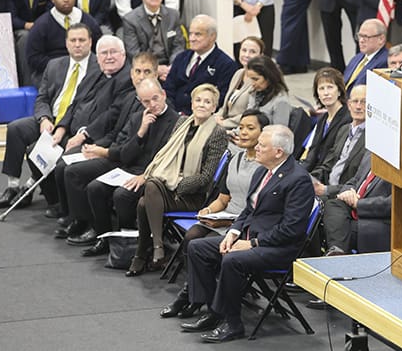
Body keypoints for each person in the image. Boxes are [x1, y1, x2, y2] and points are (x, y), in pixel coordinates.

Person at [181, 125, 314, 343]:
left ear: (279, 152)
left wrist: (253, 243)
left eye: (262, 145)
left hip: (279, 247)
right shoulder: (262, 170)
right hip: (250, 238)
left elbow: (292, 229)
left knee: (232, 260)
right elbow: (249, 210)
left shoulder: (298, 180)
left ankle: (233, 324)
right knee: (198, 248)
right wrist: (233, 233)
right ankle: (214, 312)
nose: (256, 148)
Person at [160, 109, 269, 319]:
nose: (243, 132)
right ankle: (195, 296)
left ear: (263, 133)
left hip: (243, 223)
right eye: (242, 127)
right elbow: (223, 198)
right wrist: (209, 211)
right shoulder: (235, 158)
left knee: (201, 245)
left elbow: (259, 208)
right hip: (225, 215)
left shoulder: (264, 166)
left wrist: (230, 221)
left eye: (250, 128)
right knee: (192, 234)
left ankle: (191, 298)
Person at [126, 83, 229, 276]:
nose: (202, 105)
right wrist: (169, 182)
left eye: (208, 102)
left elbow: (206, 178)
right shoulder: (182, 123)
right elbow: (166, 158)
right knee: (144, 199)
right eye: (198, 100)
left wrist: (177, 185)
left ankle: (147, 252)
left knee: (148, 194)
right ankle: (154, 249)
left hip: (193, 195)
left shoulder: (218, 133)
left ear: (214, 107)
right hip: (168, 187)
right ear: (191, 103)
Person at [64, 77, 179, 250]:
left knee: (121, 195)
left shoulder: (176, 121)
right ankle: (104, 237)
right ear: (140, 101)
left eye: (155, 98)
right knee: (95, 188)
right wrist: (140, 133)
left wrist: (146, 176)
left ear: (163, 95)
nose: (152, 104)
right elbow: (125, 155)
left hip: (153, 174)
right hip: (130, 168)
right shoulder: (137, 118)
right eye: (146, 101)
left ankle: (127, 239)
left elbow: (170, 160)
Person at [0, 23, 99, 210]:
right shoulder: (54, 65)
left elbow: (90, 107)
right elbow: (42, 98)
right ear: (66, 43)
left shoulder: (99, 68)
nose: (77, 44)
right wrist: (44, 118)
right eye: (73, 40)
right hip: (50, 118)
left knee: (37, 149)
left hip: (75, 125)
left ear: (90, 42)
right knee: (16, 128)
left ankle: (30, 187)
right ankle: (13, 186)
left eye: (82, 40)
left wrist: (62, 127)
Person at [52, 50, 155, 226]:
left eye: (147, 72)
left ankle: (85, 223)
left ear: (156, 73)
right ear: (131, 74)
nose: (141, 77)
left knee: (74, 172)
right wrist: (94, 146)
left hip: (127, 160)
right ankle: (74, 216)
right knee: (65, 161)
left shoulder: (154, 104)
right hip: (115, 149)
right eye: (138, 71)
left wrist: (104, 152)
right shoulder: (130, 97)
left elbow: (135, 147)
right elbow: (115, 131)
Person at [25, 0, 102, 86]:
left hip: (85, 70)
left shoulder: (88, 21)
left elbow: (98, 49)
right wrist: (62, 66)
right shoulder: (41, 25)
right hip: (52, 73)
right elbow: (33, 58)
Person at [163, 14, 239, 114]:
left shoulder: (226, 65)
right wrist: (172, 113)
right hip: (173, 115)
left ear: (212, 36)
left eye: (198, 34)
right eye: (191, 34)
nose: (192, 38)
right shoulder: (181, 57)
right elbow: (168, 88)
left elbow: (220, 100)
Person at [2, 0, 55, 85]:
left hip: (44, 27)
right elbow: (9, 15)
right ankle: (27, 84)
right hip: (19, 29)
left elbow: (51, 11)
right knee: (26, 37)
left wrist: (38, 26)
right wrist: (27, 25)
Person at [121, 0, 184, 80]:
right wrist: (154, 69)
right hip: (144, 69)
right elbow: (133, 52)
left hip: (169, 67)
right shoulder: (130, 19)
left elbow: (178, 46)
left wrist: (173, 67)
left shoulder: (173, 15)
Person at [311, 84, 368, 196]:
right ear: (349, 105)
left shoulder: (372, 138)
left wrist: (326, 190)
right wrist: (310, 178)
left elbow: (359, 182)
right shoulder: (344, 130)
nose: (358, 106)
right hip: (325, 188)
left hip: (344, 196)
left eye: (364, 102)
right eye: (355, 101)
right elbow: (328, 164)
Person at [300, 67, 351, 171]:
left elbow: (336, 156)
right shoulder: (323, 118)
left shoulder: (347, 118)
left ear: (339, 91)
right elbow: (313, 152)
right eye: (321, 88)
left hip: (329, 172)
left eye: (330, 87)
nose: (326, 93)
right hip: (315, 169)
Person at [214, 36, 264, 130]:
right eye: (244, 50)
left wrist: (224, 123)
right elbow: (225, 106)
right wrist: (217, 117)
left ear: (260, 56)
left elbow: (252, 112)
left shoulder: (259, 80)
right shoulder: (238, 73)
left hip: (240, 128)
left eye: (252, 52)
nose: (247, 55)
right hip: (223, 124)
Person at [342, 18, 389, 92]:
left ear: (381, 39)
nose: (361, 40)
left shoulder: (385, 61)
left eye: (366, 37)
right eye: (360, 36)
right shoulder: (357, 57)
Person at [244, 55, 290, 126]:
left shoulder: (281, 101)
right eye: (251, 79)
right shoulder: (255, 93)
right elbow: (246, 121)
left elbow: (280, 132)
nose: (252, 84)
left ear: (269, 77)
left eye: (256, 79)